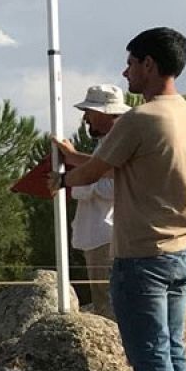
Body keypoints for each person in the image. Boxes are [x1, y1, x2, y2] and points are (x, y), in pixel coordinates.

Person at [49, 28, 186, 371]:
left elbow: (97, 171)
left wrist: (59, 180)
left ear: (150, 65)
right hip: (183, 251)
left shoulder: (141, 119)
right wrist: (75, 156)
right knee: (174, 355)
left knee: (152, 359)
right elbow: (124, 162)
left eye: (131, 63)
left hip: (143, 255)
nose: (126, 71)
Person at [68, 84, 129, 314]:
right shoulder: (105, 145)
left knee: (110, 305)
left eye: (90, 112)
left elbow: (113, 187)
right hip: (97, 235)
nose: (85, 119)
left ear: (106, 113)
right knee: (104, 302)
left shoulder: (118, 144)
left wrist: (81, 179)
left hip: (107, 235)